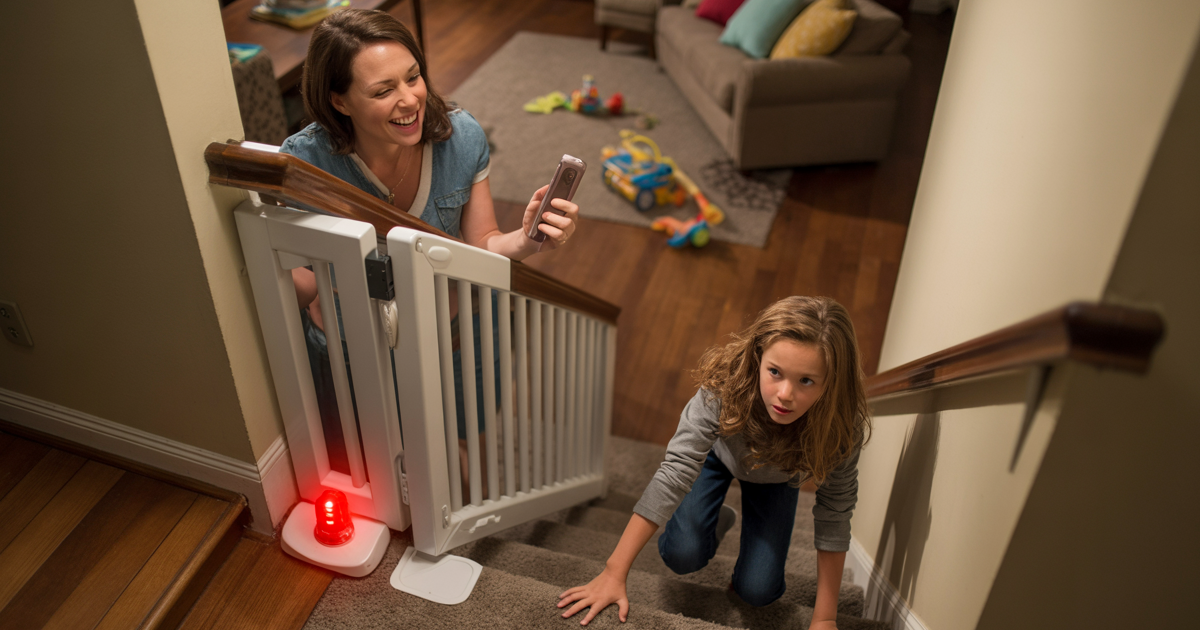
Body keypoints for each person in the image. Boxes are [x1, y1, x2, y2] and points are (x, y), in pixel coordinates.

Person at [280, 10, 577, 492]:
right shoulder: (304, 165)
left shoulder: (461, 139)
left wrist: (528, 239)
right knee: (371, 464)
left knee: (460, 443)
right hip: (355, 352)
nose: (410, 100)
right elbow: (304, 280)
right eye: (383, 91)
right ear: (340, 101)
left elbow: (482, 244)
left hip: (457, 335)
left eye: (413, 77)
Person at [557, 296, 871, 629]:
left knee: (759, 591)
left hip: (777, 480)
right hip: (717, 457)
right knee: (682, 553)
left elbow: (835, 510)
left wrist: (824, 618)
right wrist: (613, 571)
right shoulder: (724, 387)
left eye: (806, 381)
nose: (784, 394)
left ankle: (742, 563)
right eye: (775, 372)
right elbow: (674, 473)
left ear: (833, 382)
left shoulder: (842, 424)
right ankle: (715, 518)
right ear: (758, 357)